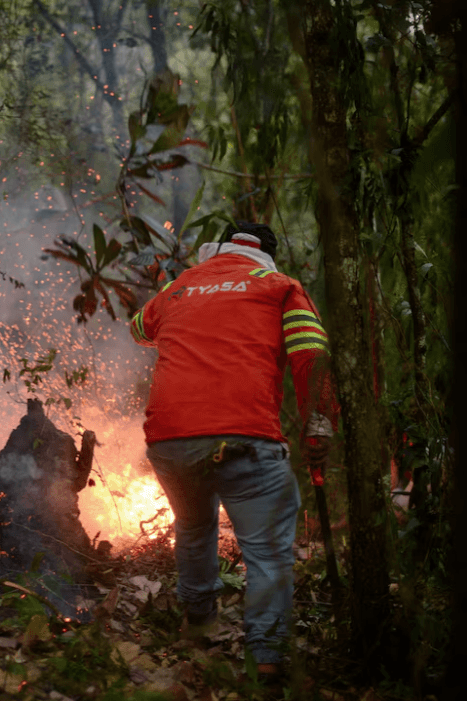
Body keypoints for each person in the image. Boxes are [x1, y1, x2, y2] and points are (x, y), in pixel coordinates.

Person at [129, 221, 337, 675]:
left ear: (218, 246)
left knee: (194, 524)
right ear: (268, 254)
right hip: (246, 437)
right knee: (265, 550)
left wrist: (181, 299)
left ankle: (198, 620)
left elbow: (139, 330)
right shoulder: (281, 285)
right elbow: (311, 355)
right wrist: (317, 430)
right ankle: (266, 658)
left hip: (170, 441)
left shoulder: (179, 286)